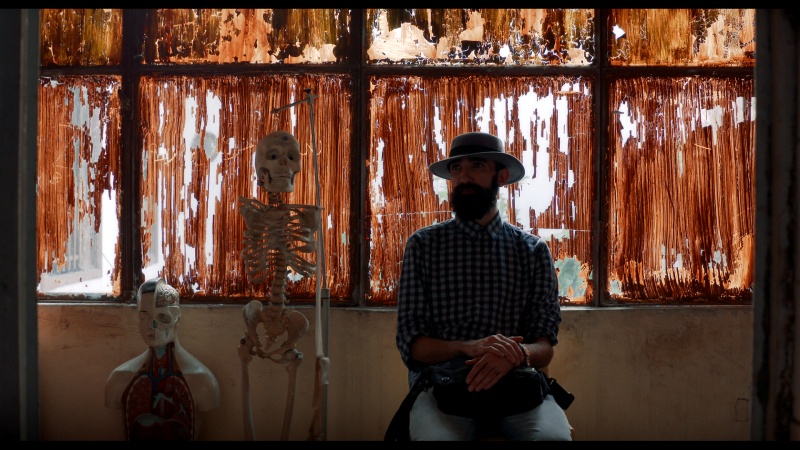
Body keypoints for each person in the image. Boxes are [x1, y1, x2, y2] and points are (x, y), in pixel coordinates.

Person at [395, 131, 572, 441]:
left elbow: (544, 348)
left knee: (553, 439)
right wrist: (469, 347)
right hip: (441, 390)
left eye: (476, 166)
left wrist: (514, 354)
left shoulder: (532, 251)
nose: (464, 177)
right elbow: (413, 345)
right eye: (456, 168)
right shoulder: (423, 246)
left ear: (500, 177)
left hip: (516, 386)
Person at [105, 277, 220, 440]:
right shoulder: (119, 379)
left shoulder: (203, 382)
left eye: (162, 317)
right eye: (144, 317)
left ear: (176, 318)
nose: (151, 326)